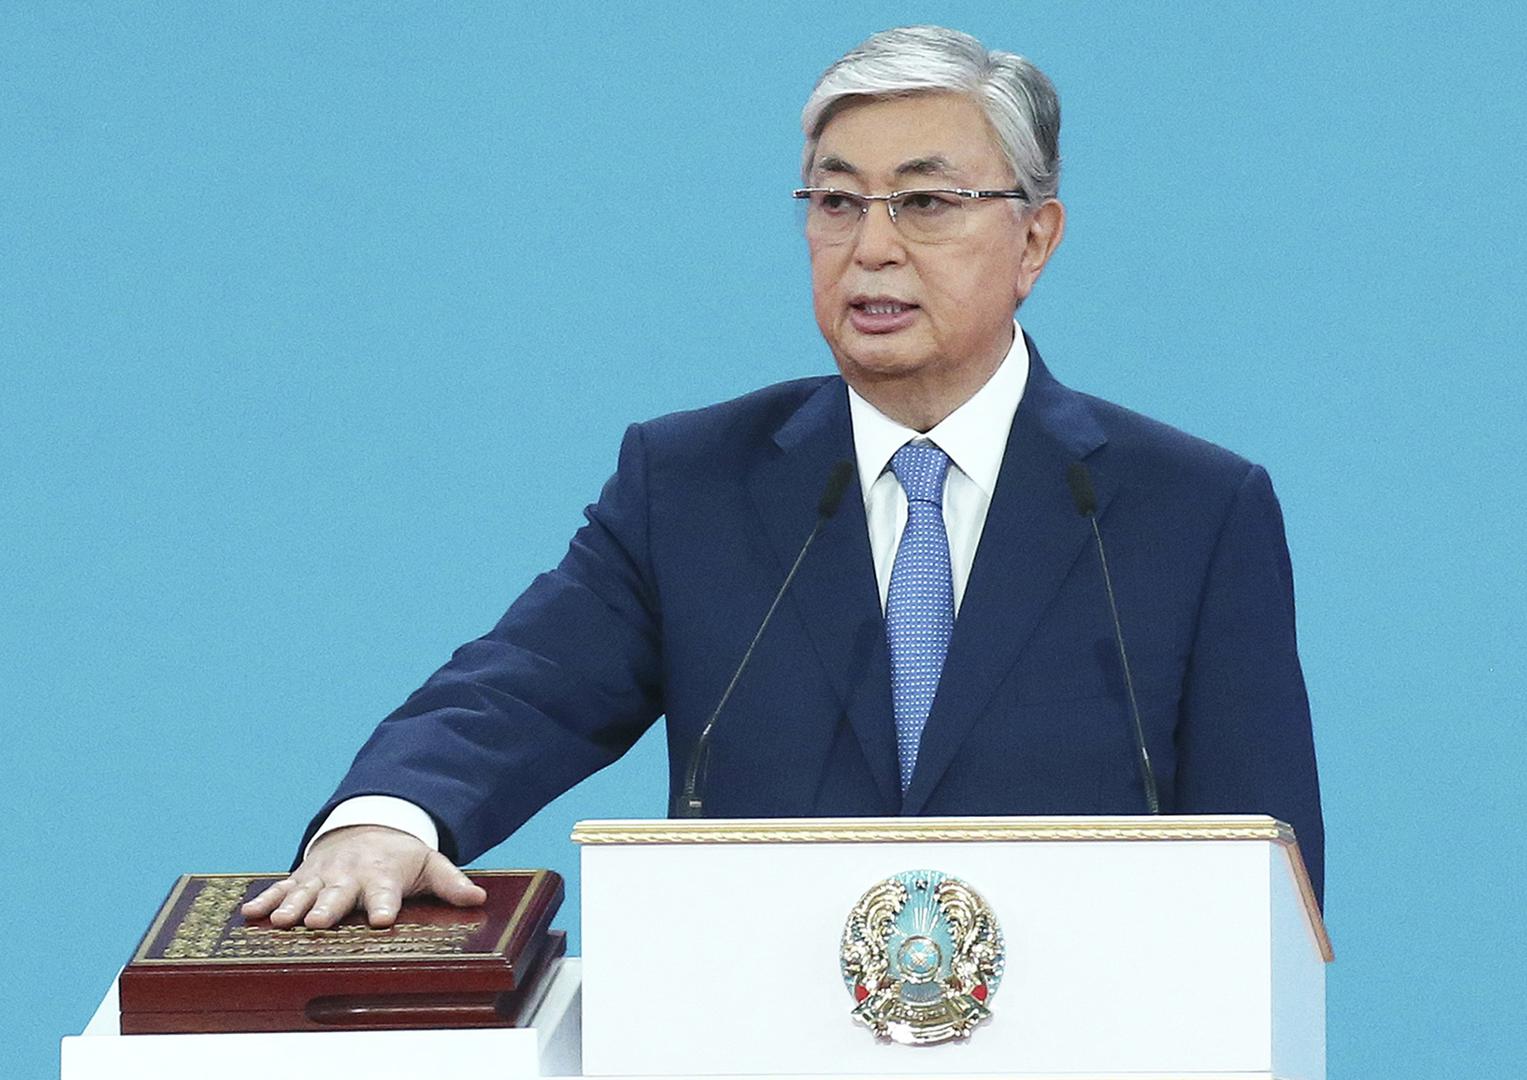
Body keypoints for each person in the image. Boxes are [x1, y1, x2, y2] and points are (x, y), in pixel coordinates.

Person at [243, 25, 1323, 931]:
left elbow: (1272, 881)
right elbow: (524, 684)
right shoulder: (692, 486)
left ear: (1034, 239)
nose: (872, 247)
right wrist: (391, 814)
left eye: (926, 203)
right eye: (837, 203)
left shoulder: (1190, 511)